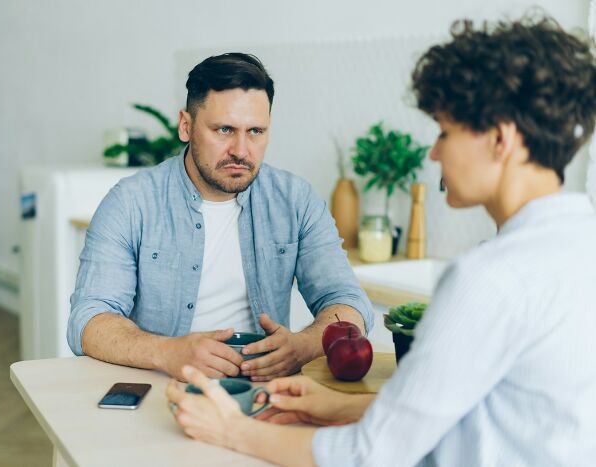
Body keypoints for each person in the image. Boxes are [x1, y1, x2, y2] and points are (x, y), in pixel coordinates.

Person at [166, 15, 596, 466]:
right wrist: (343, 405)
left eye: (445, 132)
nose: (434, 152)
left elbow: (367, 456)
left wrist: (232, 430)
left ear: (500, 140)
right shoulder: (581, 244)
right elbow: (492, 411)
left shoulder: (490, 279)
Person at [67, 52, 374, 382]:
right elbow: (89, 320)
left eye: (255, 131)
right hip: (164, 386)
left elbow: (348, 302)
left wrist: (304, 345)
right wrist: (168, 352)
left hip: (263, 392)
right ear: (186, 126)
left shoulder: (295, 200)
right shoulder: (130, 202)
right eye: (224, 129)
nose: (241, 150)